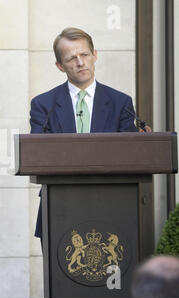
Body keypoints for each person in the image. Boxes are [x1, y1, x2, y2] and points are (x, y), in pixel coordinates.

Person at [30, 27, 143, 240]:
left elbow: (129, 157)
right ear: (60, 66)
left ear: (95, 55)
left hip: (112, 208)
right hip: (59, 208)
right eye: (72, 58)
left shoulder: (121, 103)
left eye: (84, 55)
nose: (80, 62)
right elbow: (38, 155)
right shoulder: (43, 105)